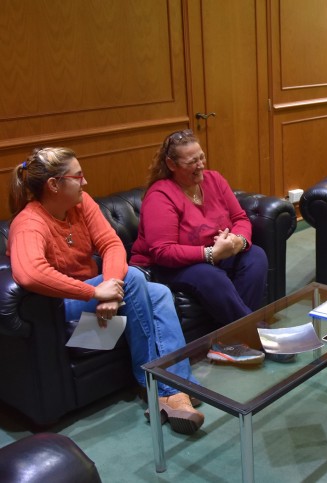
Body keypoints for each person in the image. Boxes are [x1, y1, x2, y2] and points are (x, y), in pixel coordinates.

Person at [7, 147, 205, 434]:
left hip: (96, 305)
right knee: (135, 278)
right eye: (78, 176)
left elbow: (111, 244)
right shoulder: (29, 223)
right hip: (64, 312)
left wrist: (109, 289)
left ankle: (172, 388)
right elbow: (29, 273)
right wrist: (94, 294)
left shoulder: (80, 203)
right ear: (54, 185)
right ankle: (166, 387)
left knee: (159, 294)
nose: (85, 183)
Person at [130, 129, 268, 327]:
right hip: (170, 266)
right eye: (191, 162)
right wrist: (210, 253)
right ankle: (256, 332)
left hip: (216, 254)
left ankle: (234, 339)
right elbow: (163, 251)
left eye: (201, 157)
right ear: (171, 164)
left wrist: (239, 241)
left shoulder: (215, 180)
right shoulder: (160, 196)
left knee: (255, 256)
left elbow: (239, 218)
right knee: (210, 276)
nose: (200, 165)